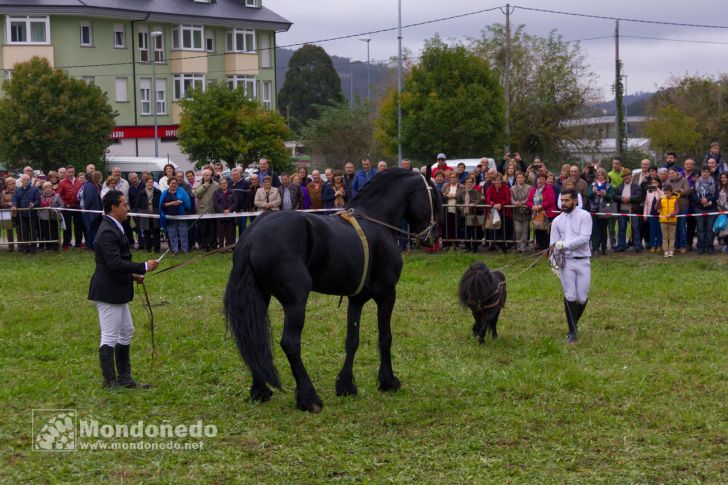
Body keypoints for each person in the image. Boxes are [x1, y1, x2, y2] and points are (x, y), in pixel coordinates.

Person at [88, 190, 159, 388]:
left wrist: (132, 275)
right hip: (108, 292)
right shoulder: (107, 231)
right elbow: (114, 263)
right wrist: (143, 267)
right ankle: (109, 382)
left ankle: (124, 378)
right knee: (110, 335)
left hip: (116, 289)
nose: (128, 207)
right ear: (113, 207)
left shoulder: (114, 227)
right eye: (124, 204)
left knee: (126, 330)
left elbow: (117, 264)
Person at [550, 188, 592, 344]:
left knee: (582, 298)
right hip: (566, 262)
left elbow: (584, 238)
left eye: (566, 200)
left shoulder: (585, 216)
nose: (563, 203)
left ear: (575, 200)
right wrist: (553, 261)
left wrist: (565, 244)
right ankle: (572, 331)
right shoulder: (557, 221)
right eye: (562, 200)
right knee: (570, 295)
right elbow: (553, 244)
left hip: (583, 260)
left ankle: (573, 323)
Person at [160, 178, 192, 255]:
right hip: (170, 218)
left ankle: (185, 250)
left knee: (183, 234)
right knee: (172, 235)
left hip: (182, 216)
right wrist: (171, 203)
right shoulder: (164, 193)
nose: (173, 185)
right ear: (168, 184)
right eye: (172, 183)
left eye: (175, 183)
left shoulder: (182, 191)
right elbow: (161, 205)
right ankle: (175, 250)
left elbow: (188, 203)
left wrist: (182, 202)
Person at [586, 168, 614, 256]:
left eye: (602, 175)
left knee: (603, 229)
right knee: (595, 229)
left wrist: (605, 195)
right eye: (598, 175)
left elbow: (611, 197)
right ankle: (595, 248)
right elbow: (588, 196)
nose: (600, 177)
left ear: (605, 176)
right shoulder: (592, 185)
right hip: (594, 210)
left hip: (604, 210)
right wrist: (593, 192)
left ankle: (604, 247)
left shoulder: (609, 186)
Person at [526, 172, 556, 251]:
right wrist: (532, 206)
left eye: (543, 179)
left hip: (547, 214)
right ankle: (539, 246)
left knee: (546, 232)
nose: (541, 180)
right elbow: (528, 201)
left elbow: (550, 201)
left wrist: (539, 206)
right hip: (536, 214)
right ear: (536, 180)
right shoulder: (533, 190)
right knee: (538, 230)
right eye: (539, 179)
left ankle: (546, 249)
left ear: (545, 181)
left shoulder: (549, 189)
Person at [12, 173, 41, 254]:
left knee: (32, 232)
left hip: (32, 214)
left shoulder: (34, 189)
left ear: (30, 180)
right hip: (22, 215)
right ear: (21, 180)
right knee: (24, 232)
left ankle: (33, 248)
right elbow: (14, 199)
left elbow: (38, 200)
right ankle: (25, 248)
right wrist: (14, 205)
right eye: (24, 179)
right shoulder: (17, 190)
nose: (25, 181)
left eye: (27, 179)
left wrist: (34, 204)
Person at [615, 168, 643, 253]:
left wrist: (629, 199)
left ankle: (637, 246)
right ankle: (621, 246)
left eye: (628, 175)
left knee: (635, 228)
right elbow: (615, 197)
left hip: (633, 211)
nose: (626, 177)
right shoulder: (619, 186)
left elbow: (639, 197)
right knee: (621, 229)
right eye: (624, 176)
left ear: (631, 176)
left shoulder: (636, 186)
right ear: (622, 177)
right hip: (622, 211)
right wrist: (621, 199)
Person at [692, 165, 718, 254]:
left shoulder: (714, 182)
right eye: (703, 172)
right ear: (701, 173)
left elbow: (716, 195)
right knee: (700, 229)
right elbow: (693, 196)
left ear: (709, 172)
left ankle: (710, 246)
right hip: (699, 208)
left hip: (711, 208)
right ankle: (700, 246)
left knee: (710, 229)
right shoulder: (696, 182)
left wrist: (708, 199)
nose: (704, 173)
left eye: (706, 172)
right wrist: (700, 200)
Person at [57, 165, 84, 249]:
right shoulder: (62, 182)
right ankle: (66, 243)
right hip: (67, 207)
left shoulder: (78, 181)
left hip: (77, 206)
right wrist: (64, 204)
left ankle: (78, 243)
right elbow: (58, 195)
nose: (71, 173)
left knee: (78, 225)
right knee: (67, 226)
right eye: (69, 172)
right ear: (66, 172)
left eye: (72, 172)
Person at [484, 173, 512, 251]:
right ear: (493, 181)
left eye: (498, 180)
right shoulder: (490, 188)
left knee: (503, 229)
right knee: (493, 228)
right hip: (493, 212)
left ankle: (502, 245)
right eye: (495, 180)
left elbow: (508, 199)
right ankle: (494, 245)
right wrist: (493, 204)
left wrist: (501, 204)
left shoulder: (506, 188)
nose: (497, 182)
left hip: (503, 212)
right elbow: (488, 199)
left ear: (501, 181)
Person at [193, 169, 218, 251]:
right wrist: (204, 186)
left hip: (212, 210)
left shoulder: (216, 185)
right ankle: (204, 245)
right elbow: (195, 194)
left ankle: (213, 245)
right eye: (206, 175)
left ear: (211, 176)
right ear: (202, 176)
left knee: (212, 229)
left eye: (209, 175)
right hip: (202, 210)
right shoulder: (198, 184)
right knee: (203, 229)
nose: (208, 177)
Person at [135, 175, 162, 253]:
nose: (150, 184)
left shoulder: (158, 192)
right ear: (145, 183)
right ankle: (148, 249)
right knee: (146, 233)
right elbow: (137, 204)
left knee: (156, 232)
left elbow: (161, 203)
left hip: (155, 214)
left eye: (151, 182)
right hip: (145, 215)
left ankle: (157, 249)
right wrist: (140, 213)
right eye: (148, 182)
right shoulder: (141, 193)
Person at [667, 167, 690, 254]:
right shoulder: (668, 181)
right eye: (669, 173)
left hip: (682, 206)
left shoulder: (684, 180)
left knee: (682, 227)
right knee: (673, 228)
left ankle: (683, 246)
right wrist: (678, 190)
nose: (671, 175)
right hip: (672, 208)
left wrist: (674, 192)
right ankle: (675, 246)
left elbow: (687, 191)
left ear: (677, 173)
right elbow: (666, 192)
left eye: (672, 173)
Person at [457, 175, 482, 252]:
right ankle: (467, 248)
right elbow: (457, 203)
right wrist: (461, 207)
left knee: (475, 232)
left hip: (474, 215)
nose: (468, 184)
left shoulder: (476, 192)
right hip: (464, 214)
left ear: (473, 183)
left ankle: (475, 247)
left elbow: (479, 200)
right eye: (467, 182)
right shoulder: (461, 192)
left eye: (470, 182)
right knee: (466, 232)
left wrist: (474, 204)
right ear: (465, 183)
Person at [213, 177, 238, 249]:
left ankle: (230, 246)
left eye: (224, 183)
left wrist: (229, 210)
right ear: (219, 185)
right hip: (221, 215)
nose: (223, 185)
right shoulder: (216, 193)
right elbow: (215, 203)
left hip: (230, 215)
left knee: (230, 231)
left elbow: (235, 202)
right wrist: (222, 210)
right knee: (220, 232)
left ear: (227, 184)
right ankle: (221, 247)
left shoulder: (232, 192)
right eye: (221, 184)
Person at [441, 172, 464, 249]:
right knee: (447, 226)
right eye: (451, 177)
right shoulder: (445, 185)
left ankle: (455, 244)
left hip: (457, 209)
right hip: (447, 209)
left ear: (457, 178)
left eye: (454, 177)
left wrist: (455, 196)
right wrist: (446, 195)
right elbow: (441, 194)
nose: (452, 179)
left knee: (456, 226)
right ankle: (447, 244)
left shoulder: (461, 186)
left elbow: (462, 196)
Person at [38, 181, 63, 250]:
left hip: (53, 217)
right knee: (45, 232)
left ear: (52, 188)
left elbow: (62, 206)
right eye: (46, 188)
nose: (48, 189)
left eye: (49, 187)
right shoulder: (41, 197)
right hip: (43, 217)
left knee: (54, 231)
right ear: (43, 189)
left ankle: (55, 245)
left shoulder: (57, 196)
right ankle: (48, 246)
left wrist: (56, 211)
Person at [511, 172, 532, 252]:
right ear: (516, 178)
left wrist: (523, 203)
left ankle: (523, 246)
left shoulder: (529, 187)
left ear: (525, 178)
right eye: (518, 177)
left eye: (522, 177)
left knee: (525, 230)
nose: (520, 179)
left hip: (525, 212)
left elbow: (529, 197)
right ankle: (518, 245)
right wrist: (514, 203)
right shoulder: (512, 188)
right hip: (516, 212)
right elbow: (511, 198)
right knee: (517, 230)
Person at [82, 171, 103, 250]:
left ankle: (92, 246)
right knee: (92, 229)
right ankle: (92, 245)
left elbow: (89, 199)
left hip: (91, 212)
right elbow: (90, 198)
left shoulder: (89, 186)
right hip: (93, 211)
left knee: (91, 229)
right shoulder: (92, 186)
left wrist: (85, 208)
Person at [643, 177, 663, 254]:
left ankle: (659, 245)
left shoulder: (661, 191)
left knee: (659, 230)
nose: (654, 184)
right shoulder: (648, 192)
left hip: (659, 214)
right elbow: (646, 203)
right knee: (652, 230)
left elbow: (663, 197)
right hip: (651, 214)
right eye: (653, 183)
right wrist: (645, 214)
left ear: (659, 183)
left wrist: (657, 190)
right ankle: (652, 245)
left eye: (656, 183)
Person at [659, 185, 679, 258]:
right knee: (665, 237)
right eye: (665, 193)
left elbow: (677, 210)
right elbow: (656, 208)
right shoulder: (662, 199)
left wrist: (671, 214)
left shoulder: (675, 199)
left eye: (668, 193)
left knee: (672, 237)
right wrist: (659, 199)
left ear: (671, 192)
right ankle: (665, 251)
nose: (667, 195)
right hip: (663, 221)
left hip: (672, 221)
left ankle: (671, 250)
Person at [1, 177, 17, 251]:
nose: (12, 185)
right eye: (10, 184)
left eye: (13, 183)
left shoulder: (18, 191)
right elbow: (1, 203)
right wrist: (8, 203)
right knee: (9, 230)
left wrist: (15, 204)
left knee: (19, 229)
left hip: (18, 212)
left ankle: (21, 245)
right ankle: (11, 246)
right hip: (7, 213)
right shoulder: (3, 193)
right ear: (7, 184)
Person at [717, 172, 728, 252]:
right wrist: (720, 208)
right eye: (722, 177)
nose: (723, 179)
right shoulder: (720, 188)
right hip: (722, 211)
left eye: (725, 177)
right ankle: (726, 245)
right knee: (724, 229)